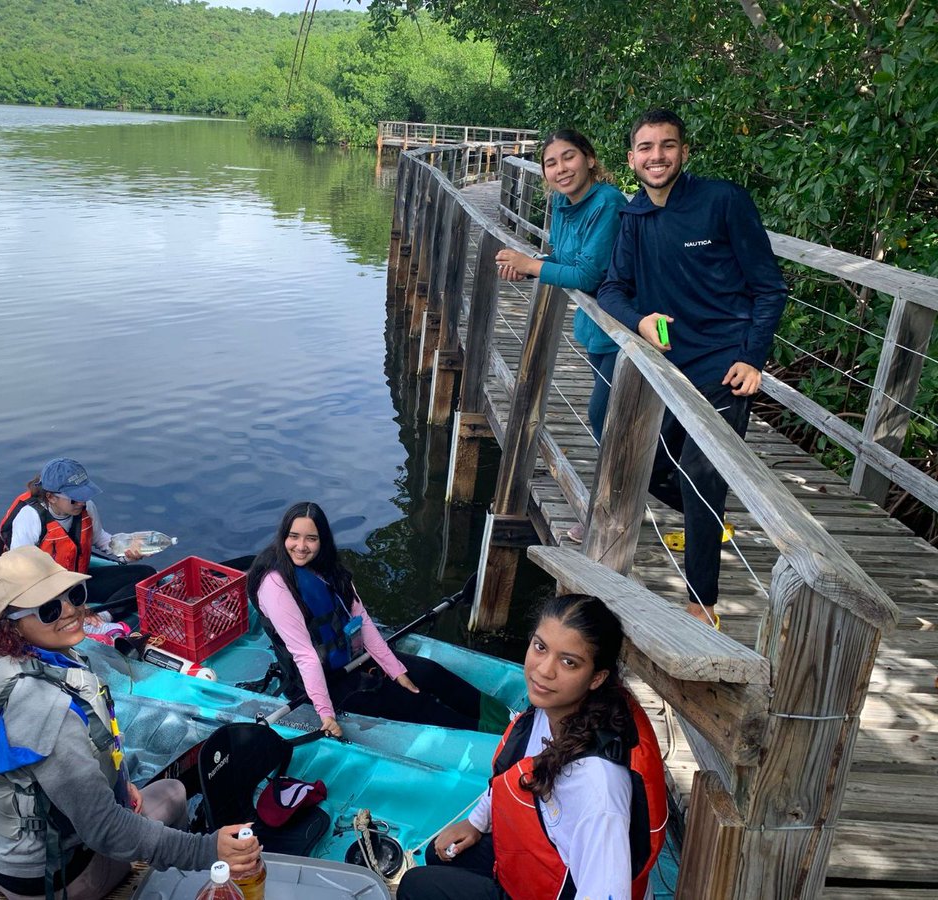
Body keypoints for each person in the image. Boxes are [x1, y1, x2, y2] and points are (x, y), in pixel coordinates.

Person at [0, 546, 260, 900]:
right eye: (49, 609)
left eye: (73, 594)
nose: (70, 611)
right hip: (52, 878)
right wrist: (206, 852)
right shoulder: (44, 709)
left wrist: (117, 782)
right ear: (13, 622)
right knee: (173, 794)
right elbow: (105, 829)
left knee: (140, 797)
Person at [596, 108, 787, 628]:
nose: (656, 156)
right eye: (646, 147)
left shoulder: (722, 201)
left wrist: (753, 358)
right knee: (650, 462)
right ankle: (709, 519)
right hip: (665, 366)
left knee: (703, 476)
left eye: (667, 145)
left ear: (684, 152)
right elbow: (612, 289)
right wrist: (639, 321)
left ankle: (702, 603)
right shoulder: (635, 216)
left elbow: (769, 286)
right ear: (631, 157)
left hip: (724, 365)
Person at [396, 594, 668, 900]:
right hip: (535, 868)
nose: (544, 671)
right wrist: (476, 822)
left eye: (569, 662)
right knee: (439, 855)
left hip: (556, 891)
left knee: (416, 887)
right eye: (540, 647)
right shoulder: (548, 711)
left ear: (597, 678)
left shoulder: (598, 788)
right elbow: (512, 772)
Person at [247, 502, 508, 738]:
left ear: (322, 541)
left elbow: (363, 621)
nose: (301, 546)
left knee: (430, 673)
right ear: (283, 536)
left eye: (311, 539)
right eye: (293, 536)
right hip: (321, 682)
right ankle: (498, 739)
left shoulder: (327, 570)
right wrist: (326, 714)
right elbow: (305, 655)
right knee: (417, 704)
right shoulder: (276, 586)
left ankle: (509, 719)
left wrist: (396, 671)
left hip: (352, 658)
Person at [495, 128, 628, 445]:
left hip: (626, 325)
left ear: (590, 159)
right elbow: (565, 257)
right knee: (608, 414)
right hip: (597, 323)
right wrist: (531, 268)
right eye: (551, 163)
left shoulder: (607, 203)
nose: (561, 168)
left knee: (604, 415)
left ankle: (625, 490)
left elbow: (586, 276)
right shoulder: (562, 201)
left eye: (569, 157)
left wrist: (531, 265)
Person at [0, 457, 155, 606]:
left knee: (147, 575)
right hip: (42, 592)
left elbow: (100, 539)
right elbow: (20, 571)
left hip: (77, 582)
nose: (81, 502)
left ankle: (104, 617)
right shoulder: (30, 517)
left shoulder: (87, 507)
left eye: (84, 494)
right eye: (74, 497)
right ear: (51, 497)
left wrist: (128, 551)